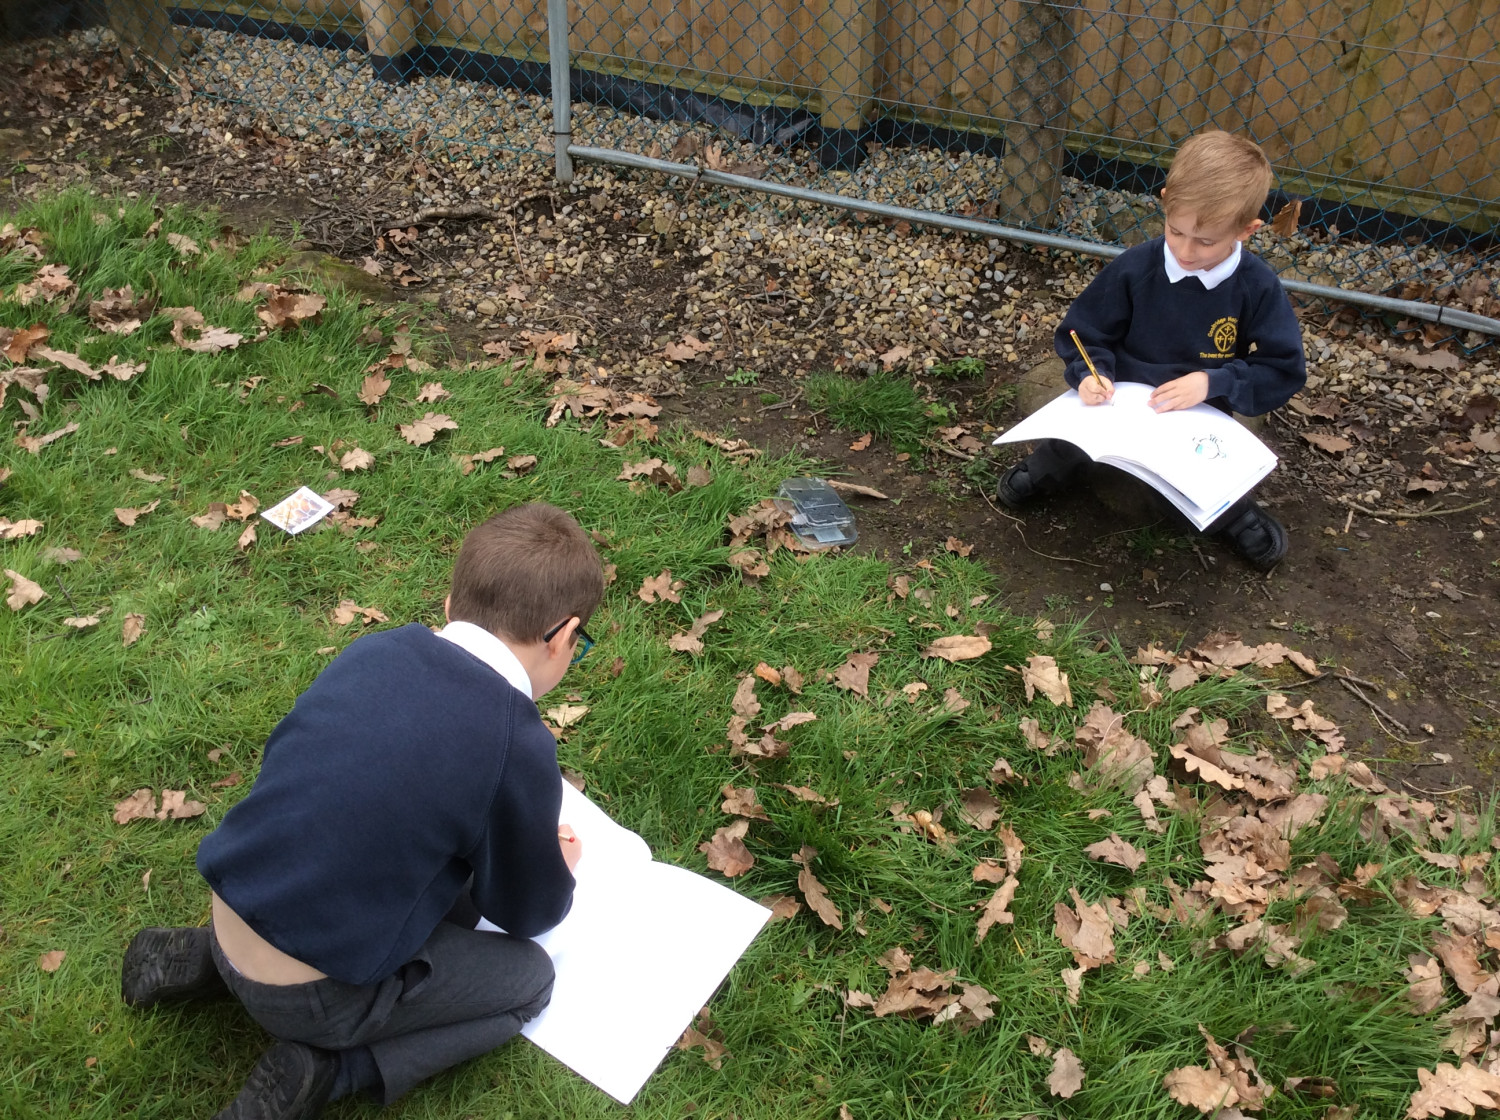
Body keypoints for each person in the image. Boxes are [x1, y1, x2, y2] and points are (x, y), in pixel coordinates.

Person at [119, 502, 605, 1120]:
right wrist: (553, 867)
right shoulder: (517, 739)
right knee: (529, 981)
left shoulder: (375, 651)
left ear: (452, 603)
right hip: (309, 997)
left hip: (228, 908)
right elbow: (526, 914)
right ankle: (333, 1070)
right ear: (562, 636)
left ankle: (212, 964)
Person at [996, 130, 1306, 571]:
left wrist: (1214, 382)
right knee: (1072, 446)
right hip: (1118, 398)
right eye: (1175, 231)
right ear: (1164, 202)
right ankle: (1048, 465)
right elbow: (1085, 332)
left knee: (1196, 480)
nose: (1185, 251)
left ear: (1247, 230)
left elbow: (1283, 367)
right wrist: (1091, 373)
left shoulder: (1257, 286)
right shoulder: (1136, 266)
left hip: (1196, 411)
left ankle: (1233, 514)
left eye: (1205, 241)